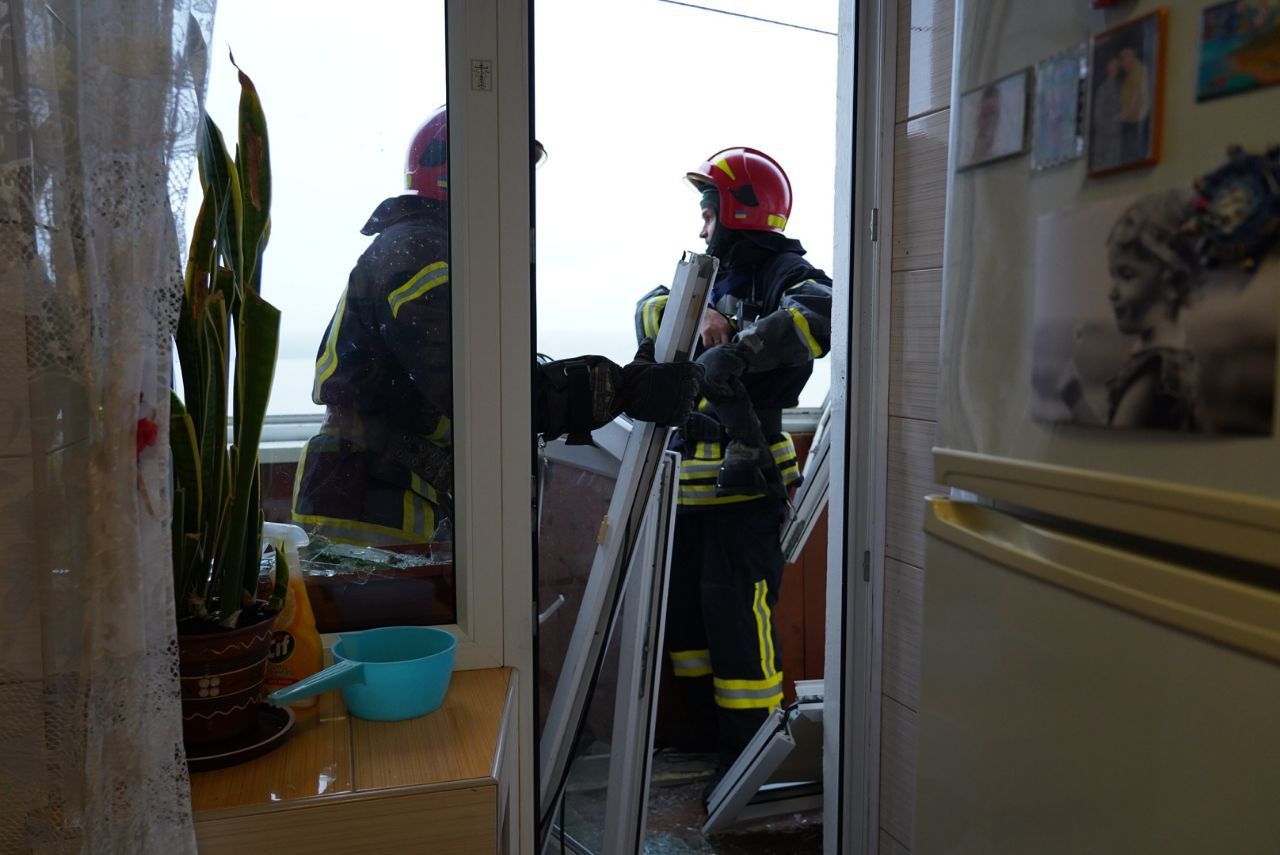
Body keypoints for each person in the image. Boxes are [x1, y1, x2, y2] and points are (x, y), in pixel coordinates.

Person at [292, 106, 701, 546]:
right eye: (509, 173)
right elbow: (480, 390)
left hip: (380, 494)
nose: (520, 194)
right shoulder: (421, 251)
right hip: (367, 508)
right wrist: (621, 390)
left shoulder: (436, 248)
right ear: (470, 173)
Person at [634, 147, 832, 790]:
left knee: (739, 626)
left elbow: (823, 312)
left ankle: (749, 759)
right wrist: (695, 313)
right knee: (688, 624)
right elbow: (648, 309)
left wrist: (740, 349)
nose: (701, 228)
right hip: (685, 491)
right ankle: (697, 737)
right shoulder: (704, 278)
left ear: (739, 212)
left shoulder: (785, 273)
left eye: (709, 212)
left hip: (747, 493)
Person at [1103, 188, 1202, 429]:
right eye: (1113, 276)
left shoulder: (1153, 373)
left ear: (1173, 283)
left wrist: (1075, 401)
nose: (1111, 293)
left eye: (1126, 275)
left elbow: (1116, 443)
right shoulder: (1182, 356)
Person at [1117, 45, 1150, 164]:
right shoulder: (1130, 73)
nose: (1122, 63)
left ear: (1131, 55)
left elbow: (1137, 96)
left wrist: (1125, 115)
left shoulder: (1138, 71)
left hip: (1136, 125)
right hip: (1131, 124)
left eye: (1124, 58)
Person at [1091, 56, 1124, 171]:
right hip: (1104, 140)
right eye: (1113, 65)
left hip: (1117, 137)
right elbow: (1098, 117)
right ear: (1108, 67)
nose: (1115, 68)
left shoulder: (1120, 86)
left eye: (1117, 66)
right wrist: (1116, 119)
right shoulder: (1103, 89)